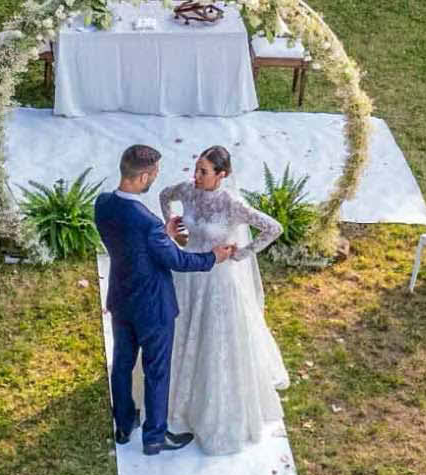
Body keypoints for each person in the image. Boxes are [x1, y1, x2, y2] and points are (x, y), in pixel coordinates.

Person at [96, 143, 233, 455]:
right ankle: (155, 437)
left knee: (122, 362)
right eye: (155, 173)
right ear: (144, 177)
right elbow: (180, 262)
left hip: (121, 297)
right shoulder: (148, 222)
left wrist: (163, 236)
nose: (156, 178)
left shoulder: (103, 204)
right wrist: (213, 257)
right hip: (153, 307)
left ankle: (122, 424)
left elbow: (130, 246)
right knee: (156, 370)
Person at [160, 147, 291, 455]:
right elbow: (164, 195)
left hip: (217, 282)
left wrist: (240, 255)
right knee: (177, 332)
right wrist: (173, 227)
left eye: (204, 172)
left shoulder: (231, 204)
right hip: (187, 273)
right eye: (196, 169)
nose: (196, 176)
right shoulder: (187, 190)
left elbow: (273, 228)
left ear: (222, 175)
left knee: (215, 343)